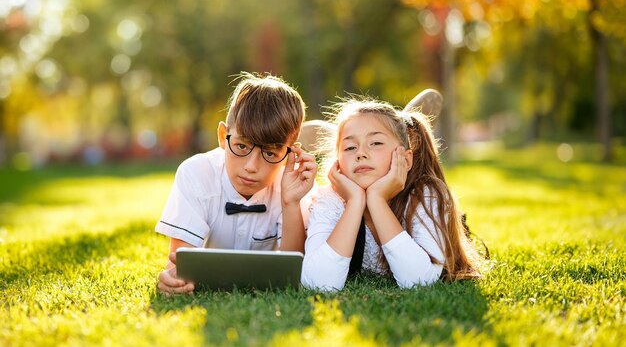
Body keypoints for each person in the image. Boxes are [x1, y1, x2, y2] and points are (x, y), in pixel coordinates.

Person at [156, 72, 318, 294]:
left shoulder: (295, 184)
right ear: (223, 136)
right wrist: (172, 278)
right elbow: (180, 263)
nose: (251, 166)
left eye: (270, 153)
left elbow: (294, 273)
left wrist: (290, 202)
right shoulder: (196, 173)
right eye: (242, 146)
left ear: (291, 152)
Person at [301, 97, 481, 291]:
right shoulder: (330, 199)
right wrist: (355, 202)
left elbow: (419, 281)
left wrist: (376, 200)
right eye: (350, 147)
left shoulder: (426, 194)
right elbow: (317, 283)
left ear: (406, 159)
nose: (360, 153)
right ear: (338, 162)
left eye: (376, 143)